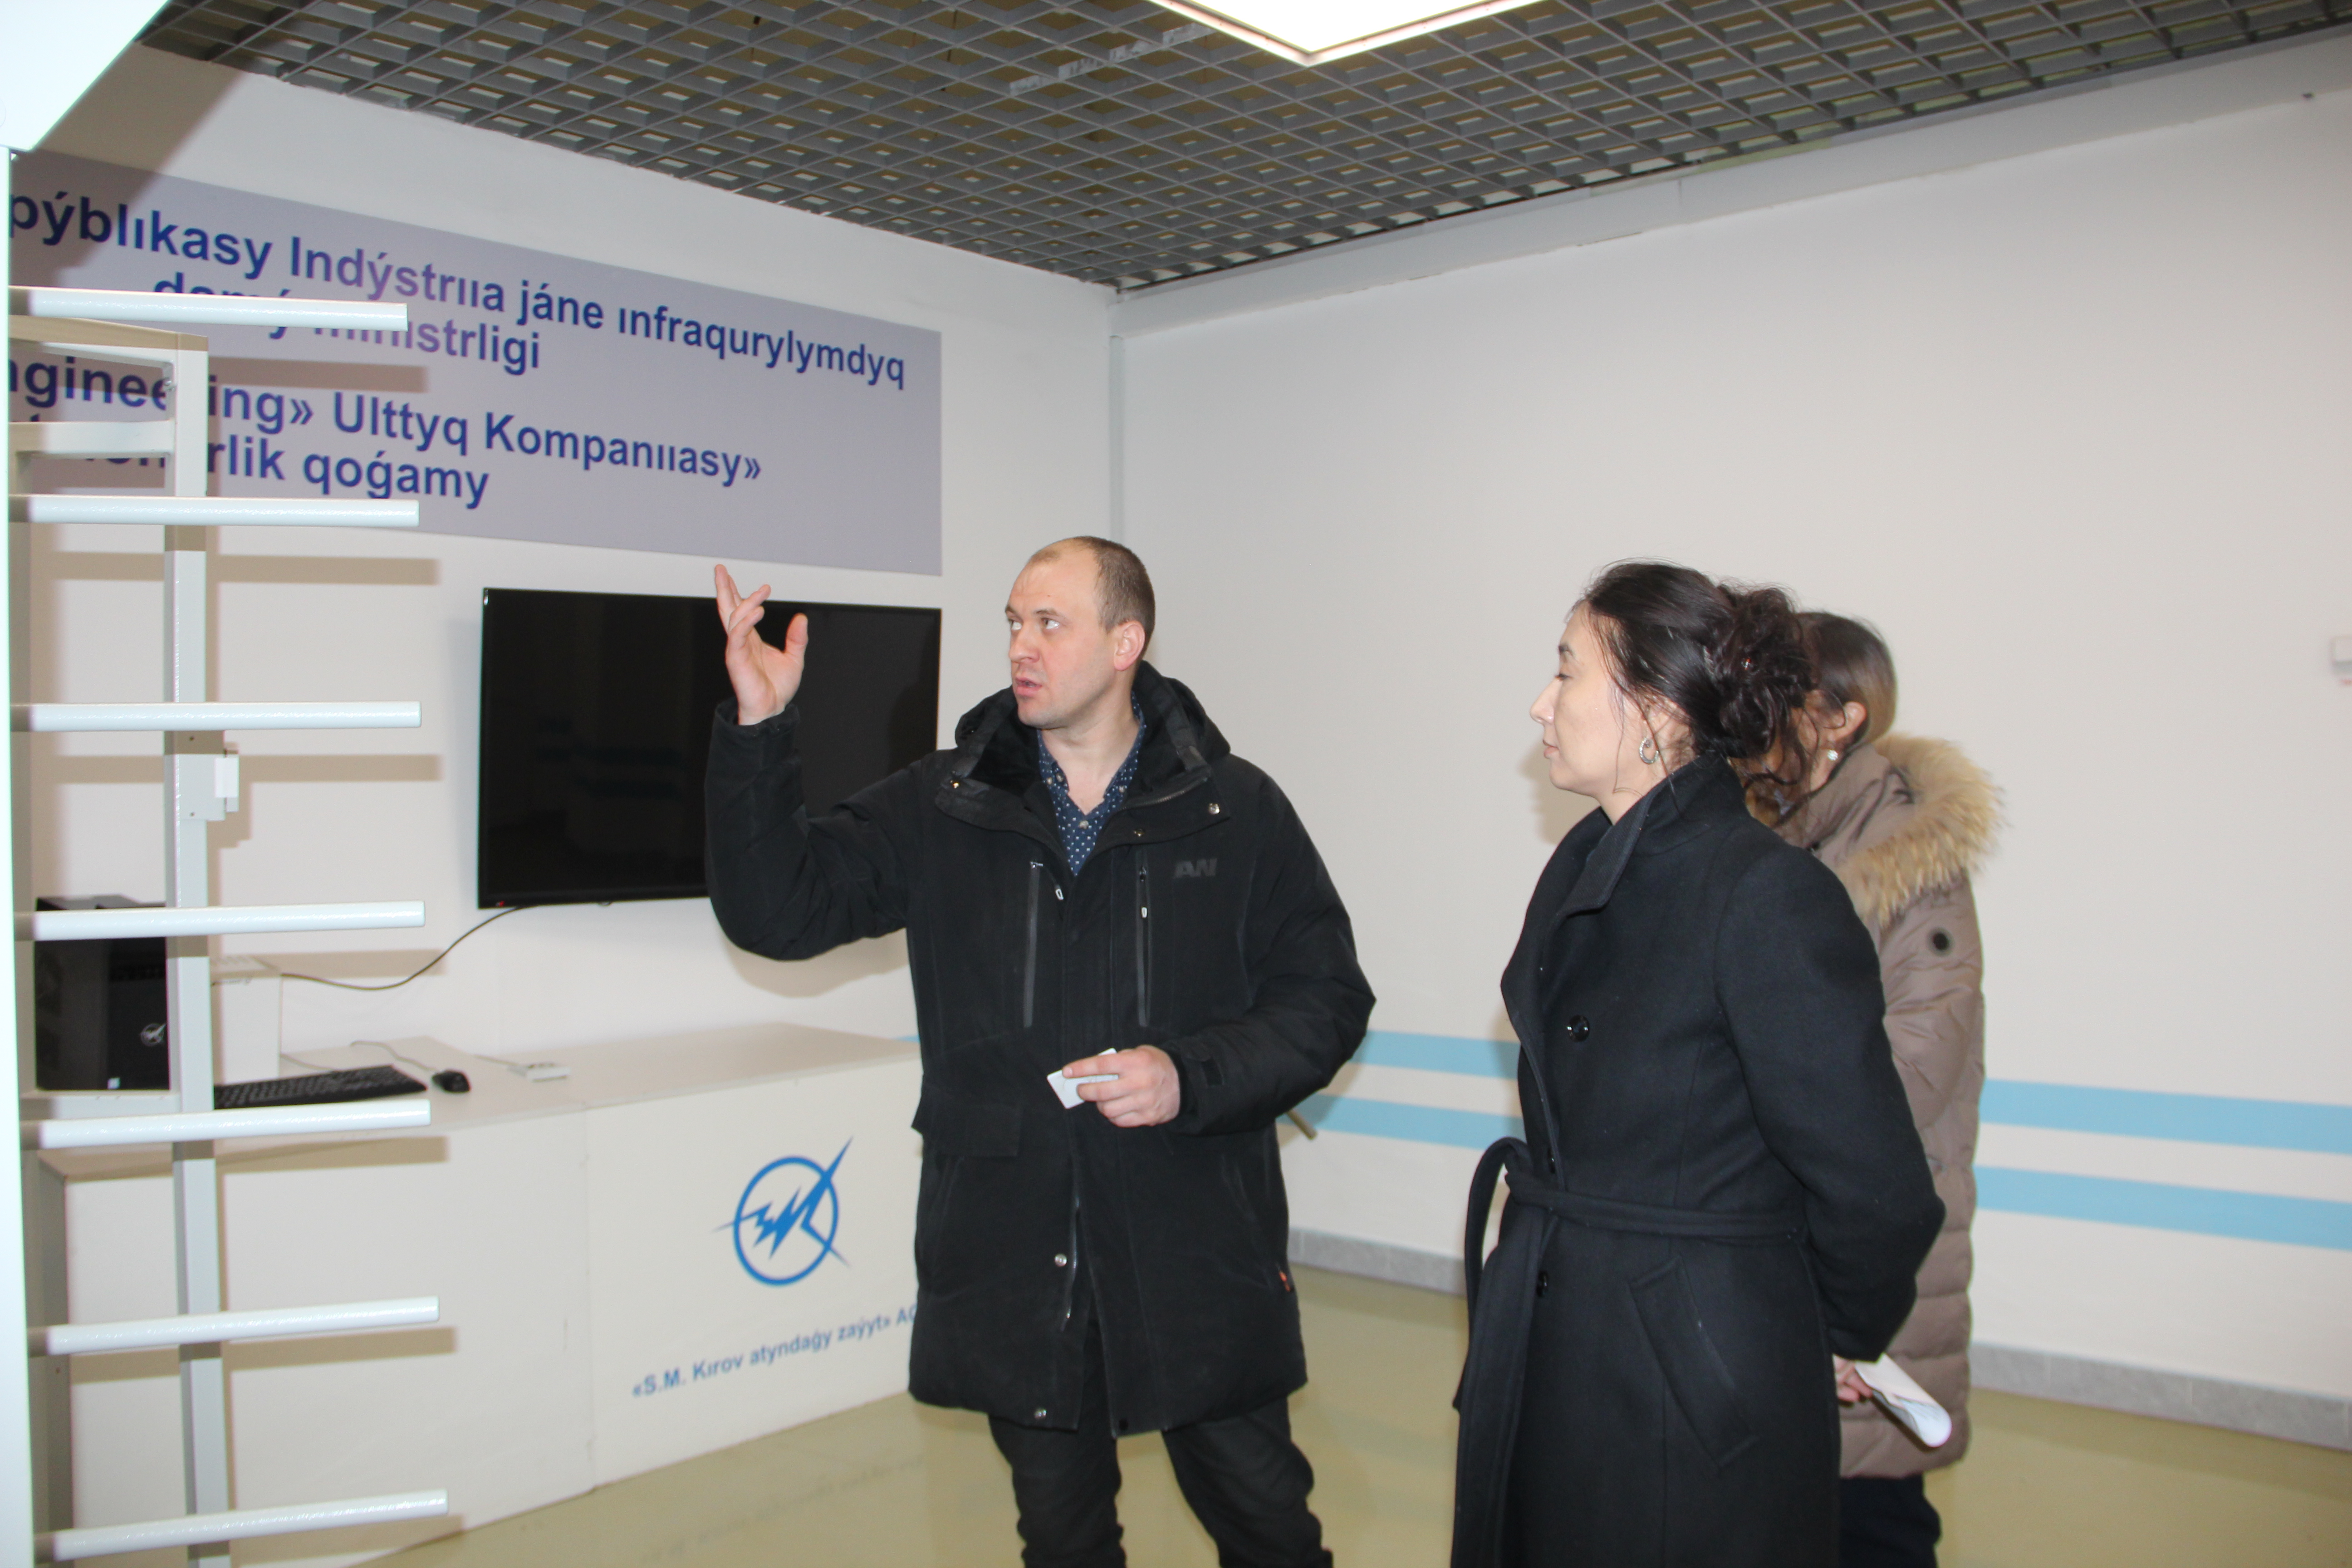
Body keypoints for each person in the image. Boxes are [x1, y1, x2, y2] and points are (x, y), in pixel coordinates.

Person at [704, 537, 1373, 1568]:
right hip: (1020, 1258)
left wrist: (1189, 1076)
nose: (1021, 644)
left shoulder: (1234, 810)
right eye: (1014, 622)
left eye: (1049, 623)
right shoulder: (943, 804)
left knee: (1269, 1529)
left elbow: (1325, 999)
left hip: (1194, 1249)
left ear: (1126, 643)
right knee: (1062, 1543)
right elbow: (777, 910)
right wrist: (760, 730)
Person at [1450, 561, 1945, 1568]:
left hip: (1685, 1371)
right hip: (1566, 1334)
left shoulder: (1767, 897)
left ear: (1657, 709)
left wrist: (1826, 1329)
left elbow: (1876, 1183)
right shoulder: (1587, 862)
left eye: (1567, 671)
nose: (1541, 703)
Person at [1765, 614, 1999, 1568]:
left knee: (1872, 1509)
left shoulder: (1908, 857)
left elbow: (1919, 1061)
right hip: (1800, 1218)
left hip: (1875, 1230)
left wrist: (1773, 1134)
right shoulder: (1782, 835)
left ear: (1840, 717)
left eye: (1777, 695)